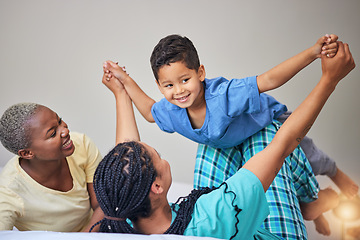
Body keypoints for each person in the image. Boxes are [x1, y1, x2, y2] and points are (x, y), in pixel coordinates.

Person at [92, 41, 355, 239]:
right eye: (157, 157)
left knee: (214, 143)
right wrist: (329, 78)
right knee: (275, 141)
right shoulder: (216, 212)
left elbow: (125, 164)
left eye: (185, 80)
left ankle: (312, 201)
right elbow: (282, 145)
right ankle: (313, 201)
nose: (179, 90)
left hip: (244, 128)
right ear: (157, 187)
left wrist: (121, 89)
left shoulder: (122, 221)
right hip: (265, 149)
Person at [0, 103, 104, 232]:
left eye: (60, 120)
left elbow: (103, 205)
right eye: (53, 133)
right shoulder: (9, 191)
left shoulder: (81, 144)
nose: (65, 131)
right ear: (27, 153)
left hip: (94, 230)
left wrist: (86, 236)